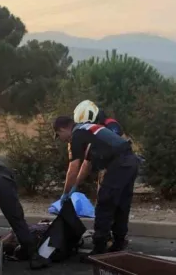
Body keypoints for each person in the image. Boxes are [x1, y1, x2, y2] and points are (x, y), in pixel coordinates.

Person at [53, 102, 139, 259]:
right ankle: (118, 244)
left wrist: (65, 194)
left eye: (59, 135)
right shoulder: (90, 131)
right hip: (130, 162)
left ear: (63, 129)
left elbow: (73, 168)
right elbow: (87, 164)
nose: (61, 139)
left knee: (104, 204)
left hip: (120, 164)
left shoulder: (77, 135)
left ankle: (99, 250)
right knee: (121, 204)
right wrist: (75, 188)